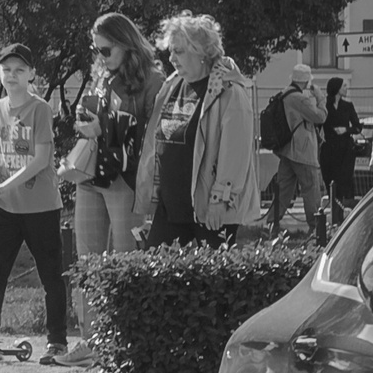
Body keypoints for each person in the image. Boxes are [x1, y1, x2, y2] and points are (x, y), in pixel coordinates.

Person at [0, 44, 75, 365]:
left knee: (51, 276)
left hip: (41, 208)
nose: (12, 76)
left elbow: (41, 160)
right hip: (6, 207)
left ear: (32, 74)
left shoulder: (40, 109)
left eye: (20, 70)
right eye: (6, 70)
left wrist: (0, 185)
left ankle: (57, 343)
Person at [136, 13, 257, 247]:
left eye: (179, 51)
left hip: (209, 210)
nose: (171, 58)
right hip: (170, 208)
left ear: (202, 52)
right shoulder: (171, 85)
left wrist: (220, 200)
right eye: (170, 51)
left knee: (210, 281)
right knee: (157, 277)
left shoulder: (230, 92)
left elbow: (235, 154)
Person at [72, 12, 161, 264]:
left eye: (107, 50)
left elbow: (155, 134)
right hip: (90, 172)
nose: (101, 56)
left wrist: (106, 128)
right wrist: (85, 116)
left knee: (128, 258)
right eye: (96, 49)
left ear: (125, 43)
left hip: (125, 177)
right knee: (87, 260)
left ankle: (122, 305)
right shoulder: (101, 74)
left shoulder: (152, 80)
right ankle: (87, 306)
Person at [264, 59, 328, 244]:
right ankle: (316, 228)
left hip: (286, 150)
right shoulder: (299, 98)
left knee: (283, 190)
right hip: (303, 151)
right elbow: (320, 116)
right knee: (311, 189)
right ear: (306, 81)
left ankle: (272, 225)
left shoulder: (284, 94)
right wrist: (320, 98)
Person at [322, 75, 362, 220]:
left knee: (342, 185)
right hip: (329, 150)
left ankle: (339, 220)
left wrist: (346, 130)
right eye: (344, 86)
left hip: (345, 151)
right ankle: (333, 218)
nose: (346, 88)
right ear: (337, 89)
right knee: (330, 184)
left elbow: (358, 127)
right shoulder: (324, 106)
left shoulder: (348, 106)